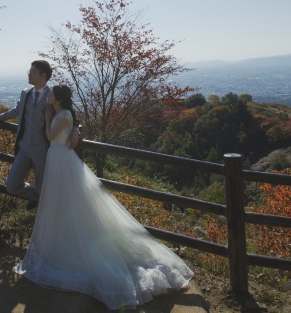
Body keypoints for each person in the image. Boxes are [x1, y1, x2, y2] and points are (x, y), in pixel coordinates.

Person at [14, 84, 193, 310]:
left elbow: (50, 136)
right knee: (60, 204)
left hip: (60, 160)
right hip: (58, 160)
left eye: (51, 95)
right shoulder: (63, 113)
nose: (48, 96)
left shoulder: (61, 114)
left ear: (57, 98)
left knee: (66, 203)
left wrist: (50, 118)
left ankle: (72, 250)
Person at [0, 60, 78, 209]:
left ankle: (43, 212)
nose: (29, 74)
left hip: (44, 151)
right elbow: (16, 110)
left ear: (43, 75)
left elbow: (68, 115)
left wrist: (75, 131)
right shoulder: (25, 94)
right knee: (12, 185)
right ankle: (39, 197)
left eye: (33, 72)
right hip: (24, 148)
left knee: (44, 186)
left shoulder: (52, 95)